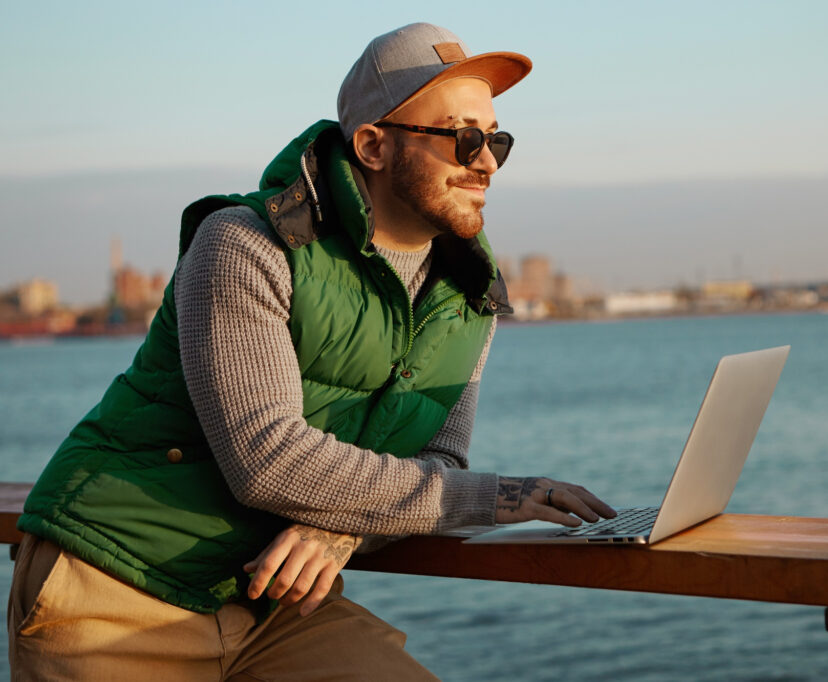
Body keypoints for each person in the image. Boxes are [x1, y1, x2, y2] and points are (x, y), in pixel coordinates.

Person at [8, 22, 615, 681]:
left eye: (496, 139)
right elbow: (267, 461)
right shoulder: (246, 244)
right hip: (114, 588)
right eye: (463, 138)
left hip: (270, 603)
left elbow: (437, 459)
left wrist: (341, 530)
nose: (488, 162)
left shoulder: (469, 294)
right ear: (374, 146)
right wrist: (503, 497)